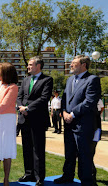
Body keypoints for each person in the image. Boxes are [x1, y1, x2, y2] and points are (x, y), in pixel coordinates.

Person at [54, 55, 101, 186]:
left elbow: (89, 102)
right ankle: (67, 176)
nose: (70, 65)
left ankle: (86, 182)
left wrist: (72, 114)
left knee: (84, 155)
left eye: (74, 63)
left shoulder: (93, 79)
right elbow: (64, 99)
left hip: (83, 125)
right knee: (69, 153)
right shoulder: (69, 80)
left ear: (83, 65)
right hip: (68, 124)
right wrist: (63, 112)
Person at [16, 56, 53, 186]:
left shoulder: (47, 80)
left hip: (37, 120)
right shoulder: (25, 80)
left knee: (38, 149)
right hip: (24, 119)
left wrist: (28, 108)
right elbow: (19, 96)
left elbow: (44, 98)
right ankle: (28, 174)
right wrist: (21, 108)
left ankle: (39, 177)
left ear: (38, 66)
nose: (28, 67)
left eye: (31, 64)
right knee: (26, 148)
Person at [91, 99, 104, 185]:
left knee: (90, 153)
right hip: (91, 129)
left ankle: (92, 175)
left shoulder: (98, 100)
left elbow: (102, 108)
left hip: (95, 130)